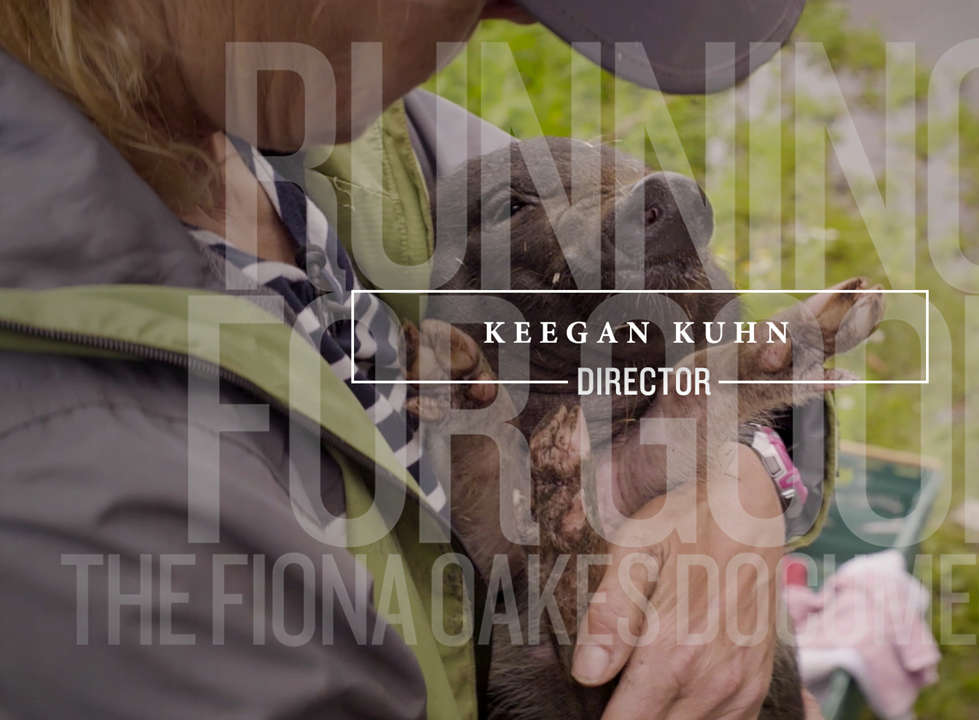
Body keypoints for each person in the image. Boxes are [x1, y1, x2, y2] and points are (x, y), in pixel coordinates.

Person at [0, 1, 833, 718]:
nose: (511, 18)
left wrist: (744, 476)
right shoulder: (64, 463)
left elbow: (700, 314)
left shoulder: (364, 136)